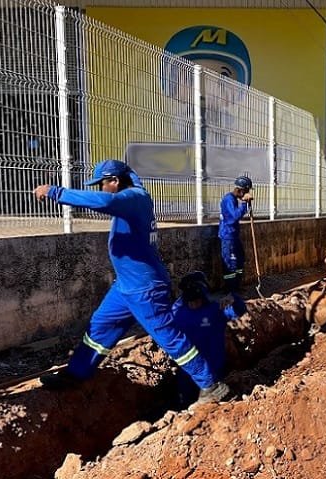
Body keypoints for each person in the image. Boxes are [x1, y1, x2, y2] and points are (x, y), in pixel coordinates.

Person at [32, 159, 229, 405]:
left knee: (168, 336)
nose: (100, 189)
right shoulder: (131, 199)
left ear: (114, 181)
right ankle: (76, 373)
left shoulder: (134, 198)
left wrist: (54, 192)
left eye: (102, 184)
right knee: (100, 327)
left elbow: (105, 202)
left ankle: (210, 384)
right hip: (125, 286)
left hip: (145, 289)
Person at [172, 271, 228, 407]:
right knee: (188, 399)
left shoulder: (214, 310)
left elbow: (235, 309)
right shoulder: (177, 312)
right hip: (191, 370)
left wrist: (233, 299)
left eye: (196, 300)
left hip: (212, 367)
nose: (194, 303)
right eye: (192, 301)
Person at [219, 175, 253, 317]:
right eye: (245, 192)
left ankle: (236, 288)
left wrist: (248, 205)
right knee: (231, 266)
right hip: (228, 238)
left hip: (234, 237)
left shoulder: (234, 200)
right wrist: (244, 204)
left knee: (240, 262)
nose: (246, 194)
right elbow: (233, 217)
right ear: (240, 190)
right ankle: (230, 292)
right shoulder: (228, 199)